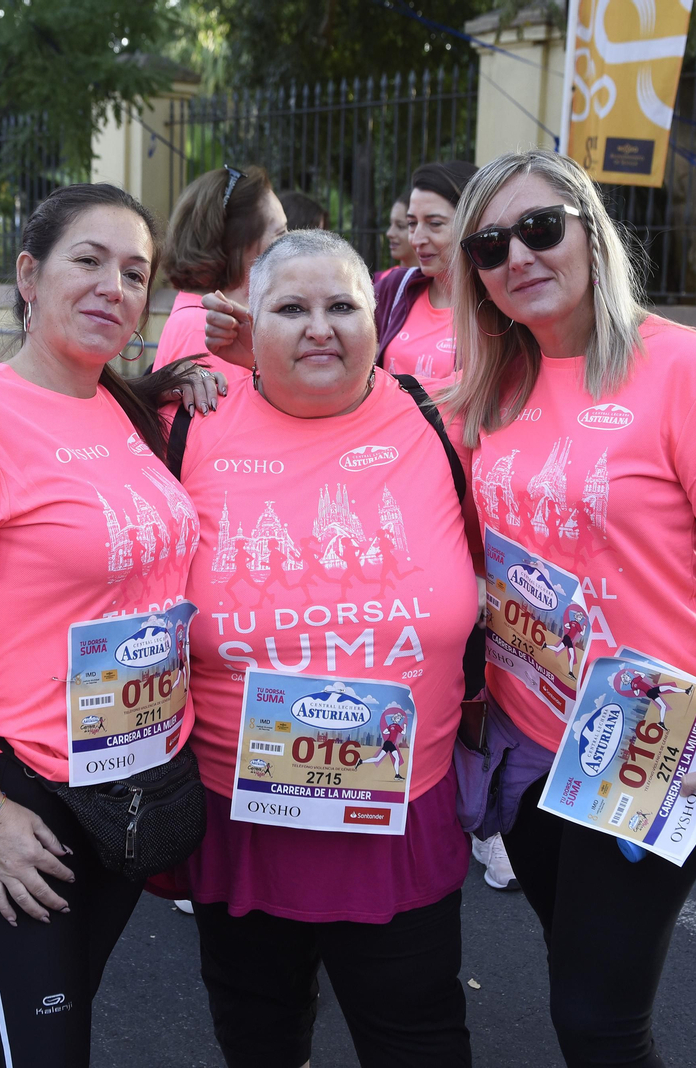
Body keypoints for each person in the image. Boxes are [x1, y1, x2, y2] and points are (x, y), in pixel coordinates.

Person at [444, 150, 696, 1067]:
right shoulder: (491, 385)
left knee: (599, 1021)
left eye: (540, 227)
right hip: (526, 743)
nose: (517, 255)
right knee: (578, 974)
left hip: (649, 739)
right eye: (489, 244)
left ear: (591, 231)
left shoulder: (684, 369)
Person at [0, 184, 222, 1068]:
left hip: (138, 779)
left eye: (136, 271)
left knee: (69, 1012)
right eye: (90, 259)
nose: (116, 285)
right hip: (25, 794)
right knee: (44, 1048)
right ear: (28, 275)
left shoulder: (122, 408)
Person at [176, 228, 478, 1066]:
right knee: (261, 1040)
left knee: (418, 1042)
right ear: (249, 324)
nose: (320, 327)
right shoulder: (185, 427)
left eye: (342, 305)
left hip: (400, 816)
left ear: (375, 323)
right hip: (242, 821)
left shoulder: (443, 420)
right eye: (291, 308)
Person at [153, 165, 286, 381]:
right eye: (280, 233)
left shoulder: (206, 319)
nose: (289, 243)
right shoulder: (207, 329)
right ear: (237, 246)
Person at [374, 161, 478, 382]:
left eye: (435, 224)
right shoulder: (396, 287)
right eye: (412, 223)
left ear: (474, 223)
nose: (416, 239)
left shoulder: (499, 304)